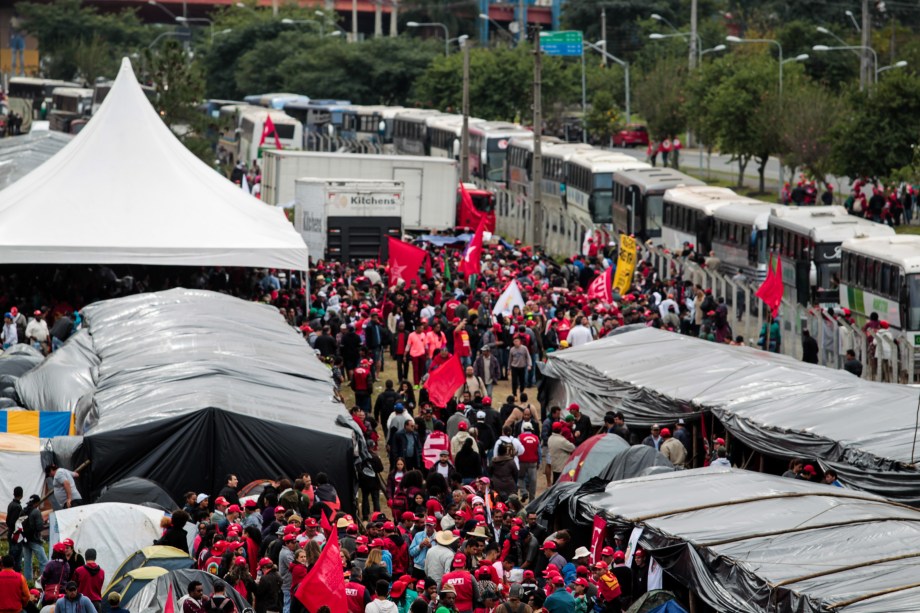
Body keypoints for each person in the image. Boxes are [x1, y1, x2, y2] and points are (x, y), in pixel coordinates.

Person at [20, 494, 47, 582]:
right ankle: (44, 581)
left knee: (27, 563)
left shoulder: (23, 511)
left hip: (24, 539)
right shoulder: (36, 512)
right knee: (43, 561)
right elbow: (39, 527)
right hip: (34, 540)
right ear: (37, 502)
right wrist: (43, 522)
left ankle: (28, 583)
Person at [6, 487, 23, 573]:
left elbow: (8, 521)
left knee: (12, 555)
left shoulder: (10, 504)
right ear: (21, 495)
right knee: (15, 557)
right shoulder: (17, 507)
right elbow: (14, 522)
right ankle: (14, 575)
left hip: (10, 533)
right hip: (15, 535)